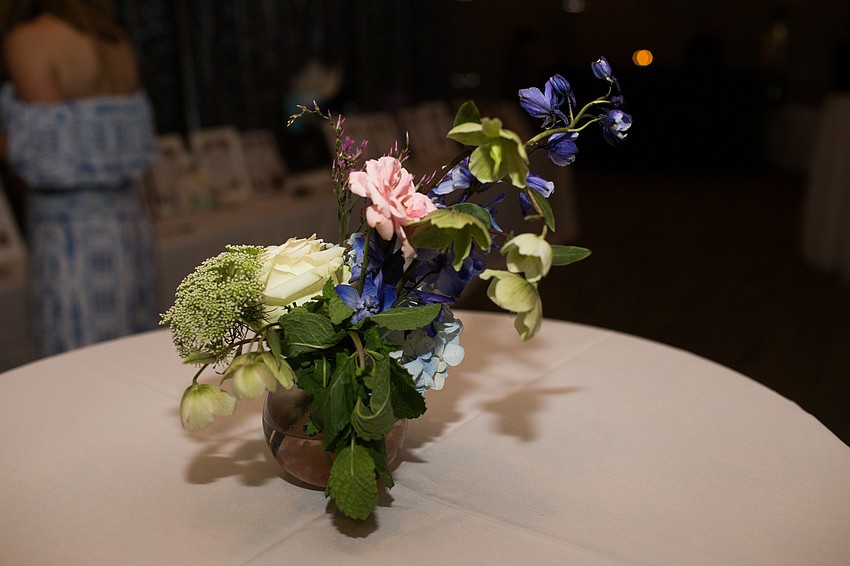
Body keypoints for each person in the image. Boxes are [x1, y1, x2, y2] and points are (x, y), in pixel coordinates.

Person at [0, 0, 158, 357]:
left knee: (79, 360)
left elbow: (51, 155)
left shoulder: (30, 39)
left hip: (72, 234)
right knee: (130, 355)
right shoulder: (114, 41)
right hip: (130, 221)